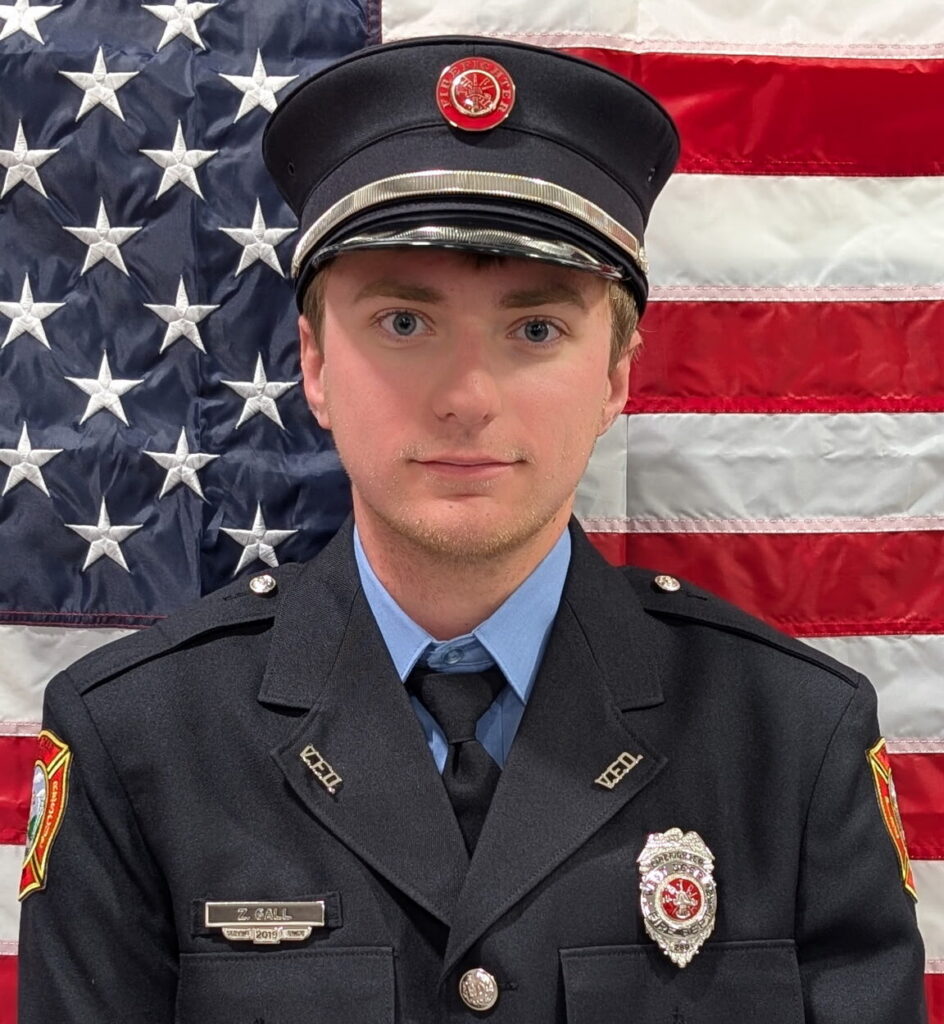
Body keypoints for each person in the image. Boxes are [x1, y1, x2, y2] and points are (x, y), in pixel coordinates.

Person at [18, 36, 926, 1024]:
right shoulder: (140, 740)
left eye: (535, 330)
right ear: (314, 364)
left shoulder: (789, 739)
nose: (467, 398)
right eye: (404, 323)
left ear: (615, 376)